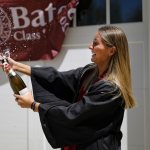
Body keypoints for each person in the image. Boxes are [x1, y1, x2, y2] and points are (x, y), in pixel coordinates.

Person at [2, 25, 136, 150]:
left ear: (111, 51)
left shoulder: (110, 90)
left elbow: (73, 114)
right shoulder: (89, 72)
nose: (90, 46)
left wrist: (33, 105)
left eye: (95, 43)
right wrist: (17, 66)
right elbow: (58, 78)